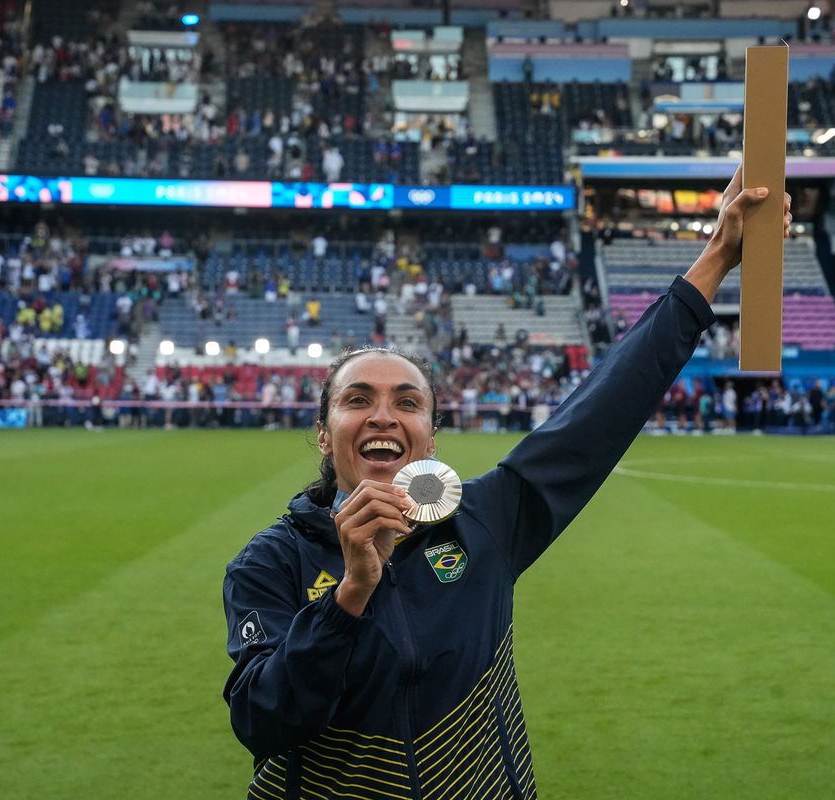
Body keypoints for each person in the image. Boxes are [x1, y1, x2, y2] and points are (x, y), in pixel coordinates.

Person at [223, 166, 790, 798]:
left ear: (429, 439)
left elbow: (599, 414)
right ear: (326, 434)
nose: (384, 414)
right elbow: (263, 721)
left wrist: (716, 256)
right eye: (358, 399)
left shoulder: (484, 520)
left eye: (408, 403)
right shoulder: (269, 563)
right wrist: (350, 594)